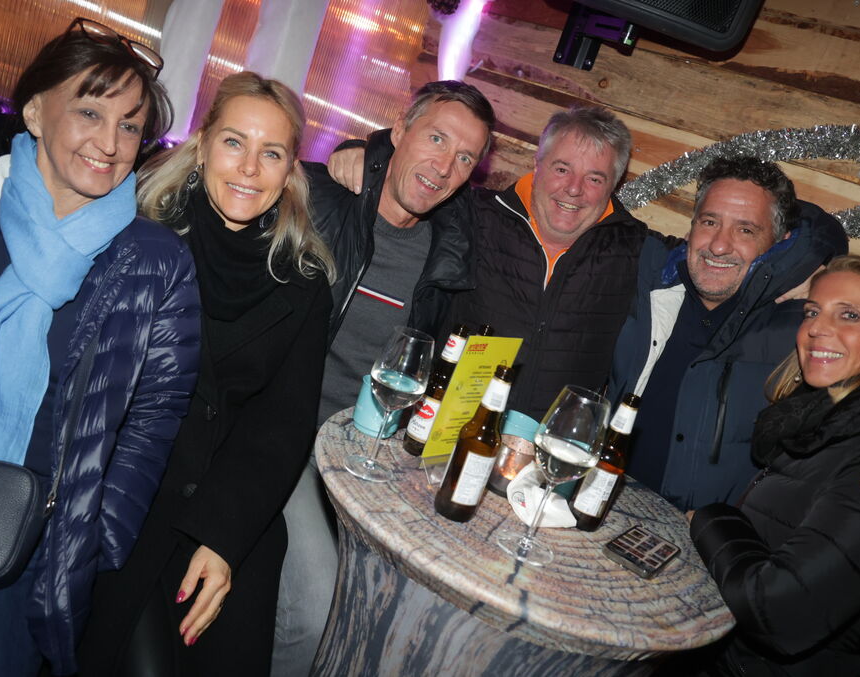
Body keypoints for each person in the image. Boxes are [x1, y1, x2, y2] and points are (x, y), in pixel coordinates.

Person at [0, 18, 200, 677]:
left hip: (20, 551)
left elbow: (157, 414)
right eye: (90, 112)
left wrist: (96, 533)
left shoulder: (156, 261)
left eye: (130, 126)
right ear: (34, 111)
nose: (110, 144)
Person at [78, 72, 334, 676]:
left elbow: (280, 427)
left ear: (289, 171)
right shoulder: (136, 235)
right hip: (123, 494)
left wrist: (222, 538)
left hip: (229, 501)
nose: (248, 168)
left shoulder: (304, 283)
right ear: (202, 146)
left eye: (271, 153)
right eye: (233, 142)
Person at [271, 80, 495, 675]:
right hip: (286, 437)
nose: (444, 166)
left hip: (370, 453)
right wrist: (359, 151)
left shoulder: (446, 253)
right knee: (317, 604)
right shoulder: (317, 196)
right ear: (399, 130)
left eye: (465, 157)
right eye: (436, 139)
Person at [608, 156, 860, 510]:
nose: (719, 245)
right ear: (691, 227)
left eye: (746, 230)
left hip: (703, 534)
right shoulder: (649, 277)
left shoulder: (803, 325)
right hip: (603, 503)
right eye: (710, 222)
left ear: (781, 243)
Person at [688, 255, 860, 675]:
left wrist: (707, 520)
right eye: (812, 312)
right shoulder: (827, 421)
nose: (817, 328)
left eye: (850, 315)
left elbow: (780, 612)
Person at [327, 105, 647, 420]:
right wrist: (364, 153)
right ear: (538, 164)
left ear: (613, 185)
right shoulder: (472, 216)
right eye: (562, 169)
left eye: (595, 179)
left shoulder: (637, 250)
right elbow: (419, 175)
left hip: (553, 445)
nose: (574, 189)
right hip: (444, 431)